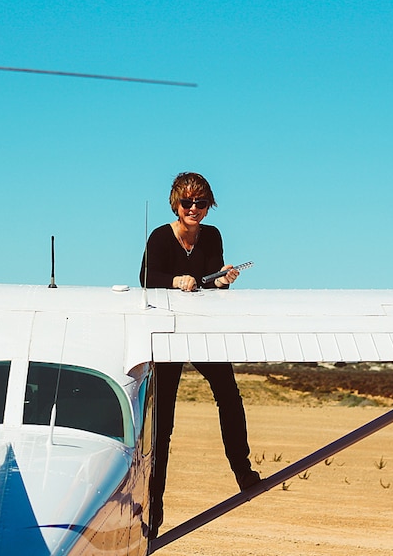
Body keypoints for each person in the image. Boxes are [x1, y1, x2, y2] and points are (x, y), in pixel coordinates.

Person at [139, 171, 261, 538]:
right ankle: (154, 508)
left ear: (209, 206)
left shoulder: (213, 236)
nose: (194, 208)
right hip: (169, 336)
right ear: (176, 204)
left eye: (201, 202)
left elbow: (211, 276)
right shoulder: (161, 236)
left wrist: (223, 278)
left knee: (229, 394)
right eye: (187, 202)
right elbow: (146, 275)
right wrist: (176, 281)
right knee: (162, 424)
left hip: (202, 332)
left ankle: (242, 470)